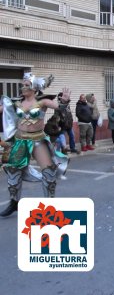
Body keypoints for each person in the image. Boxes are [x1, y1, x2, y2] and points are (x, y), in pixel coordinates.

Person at [0, 73, 69, 216]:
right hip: (20, 140)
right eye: (23, 85)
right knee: (13, 171)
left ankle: (49, 206)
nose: (23, 87)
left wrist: (64, 102)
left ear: (34, 88)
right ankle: (14, 203)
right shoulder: (16, 103)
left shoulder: (43, 102)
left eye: (27, 85)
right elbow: (2, 110)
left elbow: (57, 107)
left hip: (38, 139)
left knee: (48, 172)